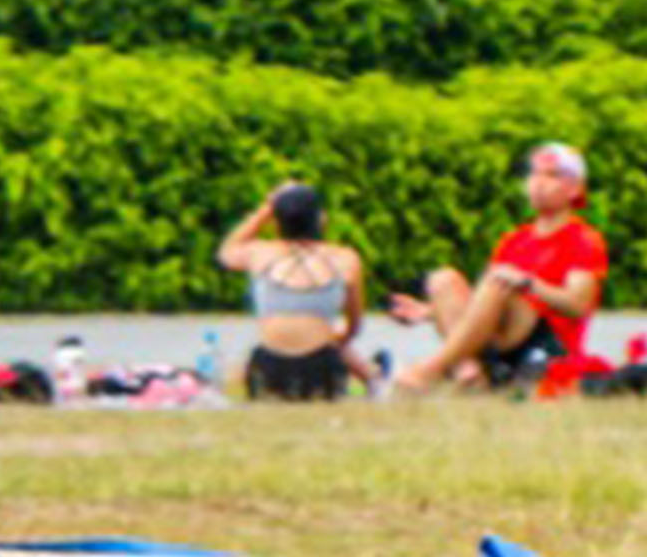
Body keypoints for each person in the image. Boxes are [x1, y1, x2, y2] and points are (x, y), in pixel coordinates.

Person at [390, 140, 601, 396]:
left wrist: (528, 283)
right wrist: (430, 312)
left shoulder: (583, 239)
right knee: (444, 280)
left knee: (498, 281)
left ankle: (429, 371)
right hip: (505, 336)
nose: (538, 183)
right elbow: (483, 309)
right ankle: (469, 373)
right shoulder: (515, 240)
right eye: (534, 174)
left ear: (574, 189)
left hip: (548, 344)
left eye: (552, 175)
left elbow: (578, 304)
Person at [221, 180, 372, 401]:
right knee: (332, 342)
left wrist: (266, 209)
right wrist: (339, 341)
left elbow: (227, 251)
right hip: (323, 371)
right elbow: (354, 325)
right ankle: (374, 378)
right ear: (320, 219)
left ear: (276, 222)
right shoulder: (345, 259)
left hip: (268, 370)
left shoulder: (259, 253)